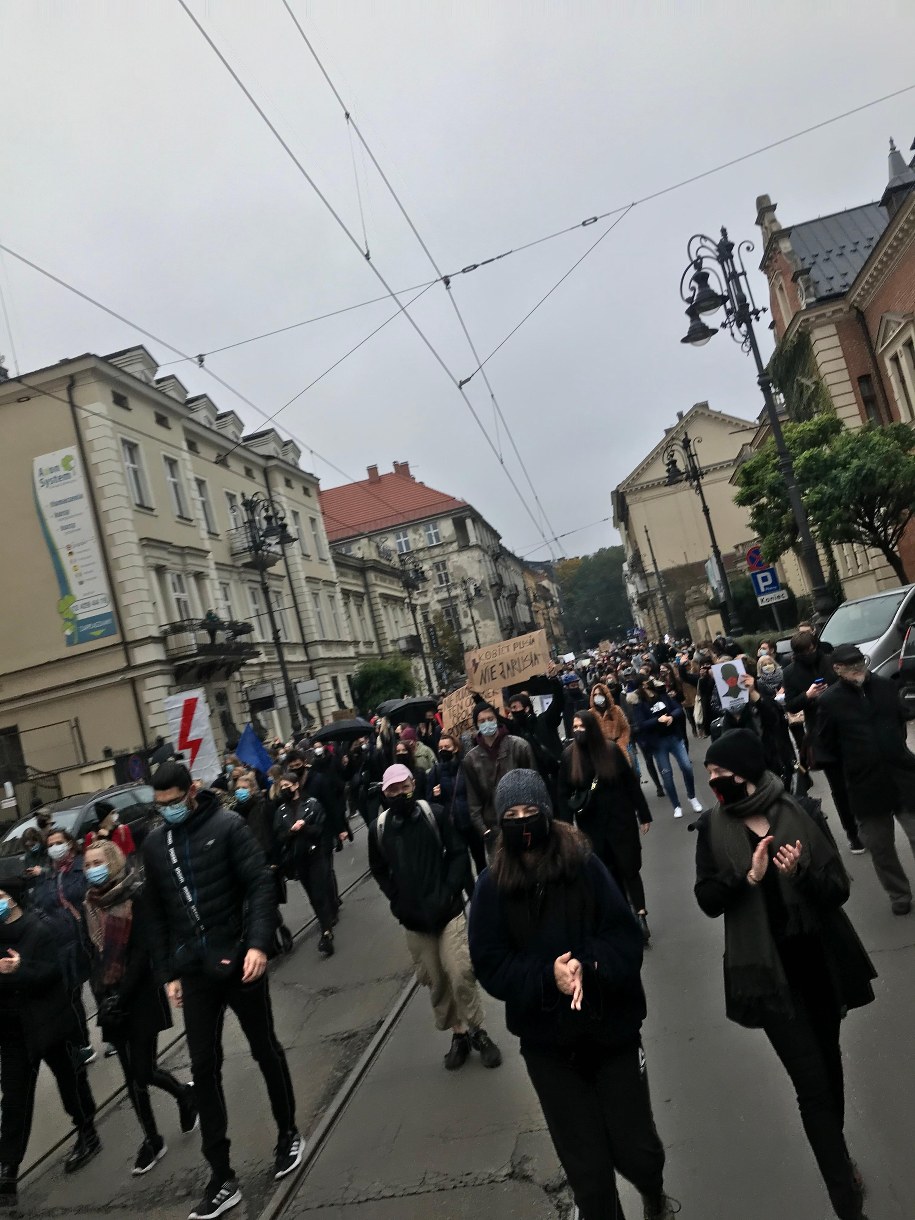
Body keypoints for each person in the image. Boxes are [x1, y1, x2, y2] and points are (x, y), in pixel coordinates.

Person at [469, 770, 676, 1220]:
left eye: (531, 813)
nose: (523, 823)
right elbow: (490, 965)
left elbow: (623, 938)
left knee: (635, 1148)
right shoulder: (491, 887)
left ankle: (654, 1194)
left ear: (547, 812)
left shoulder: (584, 864)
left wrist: (588, 965)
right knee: (587, 1169)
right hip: (549, 1048)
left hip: (612, 1031)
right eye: (512, 816)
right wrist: (548, 976)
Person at [695, 729, 876, 1220]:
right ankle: (845, 1200)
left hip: (818, 964)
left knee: (831, 1071)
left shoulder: (801, 812)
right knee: (812, 1086)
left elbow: (836, 890)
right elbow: (708, 900)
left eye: (721, 773)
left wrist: (799, 875)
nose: (714, 782)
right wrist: (748, 878)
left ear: (747, 772)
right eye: (710, 775)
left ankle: (837, 1156)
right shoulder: (712, 828)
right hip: (767, 977)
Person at [145, 762, 301, 1220]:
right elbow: (154, 913)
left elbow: (259, 884)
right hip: (194, 970)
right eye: (161, 806)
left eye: (174, 802)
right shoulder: (156, 846)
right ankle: (221, 1175)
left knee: (264, 1048)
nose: (168, 811)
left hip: (239, 960)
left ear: (191, 791)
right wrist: (167, 973)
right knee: (203, 1065)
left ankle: (288, 1133)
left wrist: (257, 944)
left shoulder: (227, 825)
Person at [368, 763, 502, 1072]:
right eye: (392, 789)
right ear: (385, 793)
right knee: (436, 979)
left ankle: (478, 1031)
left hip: (447, 911)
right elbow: (378, 869)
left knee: (459, 971)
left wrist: (451, 890)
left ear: (412, 784)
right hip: (414, 920)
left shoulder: (435, 814)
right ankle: (459, 1035)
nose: (398, 793)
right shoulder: (381, 828)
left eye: (403, 786)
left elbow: (457, 852)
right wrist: (397, 901)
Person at [83, 840, 197, 1175]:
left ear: (114, 863)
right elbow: (92, 956)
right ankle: (152, 1138)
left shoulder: (135, 896)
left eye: (97, 862)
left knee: (143, 1070)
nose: (91, 869)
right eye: (87, 864)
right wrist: (102, 995)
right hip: (110, 1001)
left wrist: (122, 993)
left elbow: (144, 952)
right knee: (130, 1077)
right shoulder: (88, 905)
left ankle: (183, 1094)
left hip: (140, 996)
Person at [818, 643, 915, 913]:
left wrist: (896, 749)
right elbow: (826, 745)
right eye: (851, 667)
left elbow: (900, 720)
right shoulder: (829, 701)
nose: (858, 670)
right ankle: (899, 895)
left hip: (902, 774)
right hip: (865, 784)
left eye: (860, 664)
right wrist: (854, 764)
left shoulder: (885, 687)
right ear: (837, 670)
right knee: (880, 846)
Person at [560, 711, 653, 944]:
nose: (578, 730)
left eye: (582, 726)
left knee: (629, 868)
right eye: (574, 726)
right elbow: (563, 795)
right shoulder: (569, 757)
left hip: (621, 821)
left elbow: (631, 784)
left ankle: (640, 914)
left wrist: (643, 814)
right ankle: (625, 915)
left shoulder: (610, 751)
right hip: (592, 827)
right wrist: (565, 829)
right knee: (609, 872)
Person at [783, 631, 865, 854]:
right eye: (804, 652)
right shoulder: (790, 673)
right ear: (797, 653)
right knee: (838, 788)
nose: (809, 654)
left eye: (811, 649)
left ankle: (865, 822)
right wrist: (807, 696)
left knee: (858, 779)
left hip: (847, 729)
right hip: (821, 735)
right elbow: (790, 705)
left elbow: (853, 686)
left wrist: (833, 691)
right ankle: (853, 833)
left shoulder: (831, 662)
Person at [29, 827, 94, 1062]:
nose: (55, 847)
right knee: (71, 996)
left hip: (89, 936)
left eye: (59, 842)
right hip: (63, 943)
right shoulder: (47, 876)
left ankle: (116, 1033)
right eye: (51, 844)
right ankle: (83, 1044)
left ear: (69, 843)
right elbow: (38, 904)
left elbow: (88, 894)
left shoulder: (82, 866)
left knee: (100, 987)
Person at [273, 770, 337, 956]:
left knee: (319, 892)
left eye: (287, 786)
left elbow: (320, 829)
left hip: (315, 855)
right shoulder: (281, 811)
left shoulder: (312, 804)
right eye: (282, 787)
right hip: (297, 859)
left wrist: (305, 827)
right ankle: (324, 920)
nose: (284, 789)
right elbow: (279, 836)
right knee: (311, 895)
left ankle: (326, 933)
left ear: (296, 786)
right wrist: (292, 832)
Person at [462, 703, 536, 857]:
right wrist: (484, 830)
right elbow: (473, 800)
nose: (487, 723)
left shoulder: (519, 746)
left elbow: (534, 786)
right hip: (494, 829)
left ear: (497, 719)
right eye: (482, 721)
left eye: (490, 718)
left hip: (523, 822)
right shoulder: (471, 759)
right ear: (476, 725)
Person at [628, 677, 703, 819]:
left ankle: (692, 797)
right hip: (657, 743)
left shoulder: (662, 695)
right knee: (667, 775)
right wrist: (657, 720)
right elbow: (641, 724)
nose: (648, 686)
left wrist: (671, 717)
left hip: (674, 737)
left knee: (686, 766)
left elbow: (677, 709)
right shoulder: (639, 704)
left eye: (649, 683)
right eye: (644, 685)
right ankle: (676, 805)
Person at [427, 733, 484, 891]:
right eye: (440, 748)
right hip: (453, 826)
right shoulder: (436, 772)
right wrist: (434, 795)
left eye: (447, 747)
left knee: (480, 860)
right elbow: (430, 803)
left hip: (471, 822)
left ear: (455, 748)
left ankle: (485, 889)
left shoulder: (466, 767)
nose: (443, 750)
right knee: (463, 864)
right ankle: (472, 895)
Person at [506, 678, 566, 800]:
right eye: (511, 709)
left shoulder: (545, 721)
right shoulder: (516, 731)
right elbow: (495, 717)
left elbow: (558, 701)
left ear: (526, 708)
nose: (512, 711)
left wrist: (554, 679)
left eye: (515, 707)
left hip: (558, 780)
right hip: (537, 787)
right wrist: (476, 696)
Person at [588, 681, 630, 753]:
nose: (597, 696)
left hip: (619, 747)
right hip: (602, 751)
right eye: (595, 695)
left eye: (600, 694)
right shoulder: (590, 714)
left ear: (605, 695)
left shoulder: (616, 710)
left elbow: (625, 728)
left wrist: (622, 743)